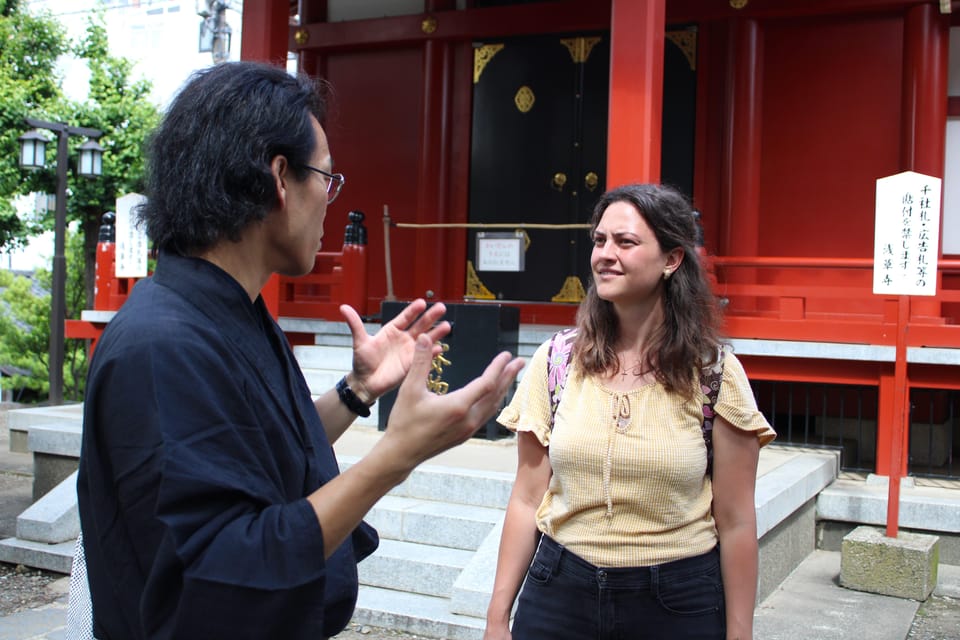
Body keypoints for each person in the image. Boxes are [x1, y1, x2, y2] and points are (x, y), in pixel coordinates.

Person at [76, 61, 524, 640]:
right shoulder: (164, 345)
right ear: (280, 178)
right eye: (327, 178)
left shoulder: (227, 310)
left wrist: (357, 391)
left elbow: (255, 455)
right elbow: (226, 568)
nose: (331, 201)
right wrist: (396, 455)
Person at [484, 183, 775, 640]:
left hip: (676, 599)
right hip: (559, 589)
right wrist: (497, 617)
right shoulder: (558, 361)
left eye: (625, 242)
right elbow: (526, 498)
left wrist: (740, 634)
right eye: (599, 241)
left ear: (671, 260)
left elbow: (736, 521)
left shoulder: (714, 373)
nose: (604, 254)